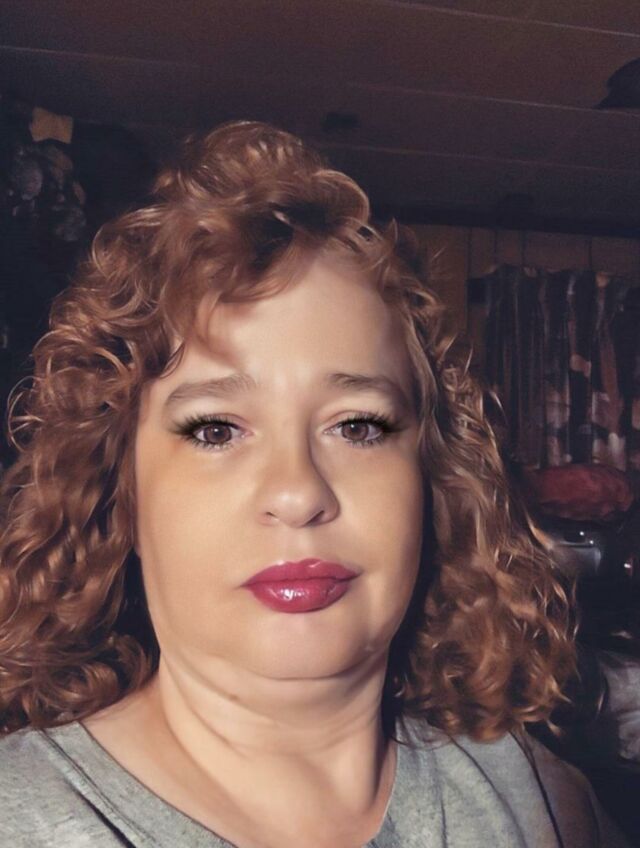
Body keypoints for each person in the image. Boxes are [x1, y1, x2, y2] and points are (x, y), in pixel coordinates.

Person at [0, 121, 629, 848]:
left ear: (435, 479)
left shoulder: (543, 799)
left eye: (358, 425)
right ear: (121, 491)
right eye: (215, 430)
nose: (299, 494)